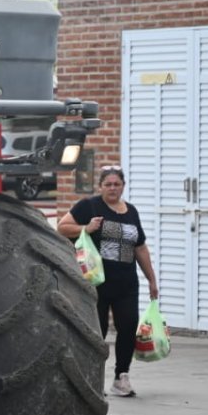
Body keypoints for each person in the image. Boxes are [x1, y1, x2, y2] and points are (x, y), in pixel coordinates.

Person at [56, 166, 159, 397]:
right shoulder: (89, 206)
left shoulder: (131, 211)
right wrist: (86, 228)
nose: (112, 188)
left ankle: (121, 377)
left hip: (126, 283)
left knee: (128, 327)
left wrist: (151, 279)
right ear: (100, 186)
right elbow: (62, 228)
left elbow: (140, 247)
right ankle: (92, 378)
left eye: (117, 184)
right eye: (108, 184)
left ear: (123, 186)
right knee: (97, 331)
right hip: (96, 282)